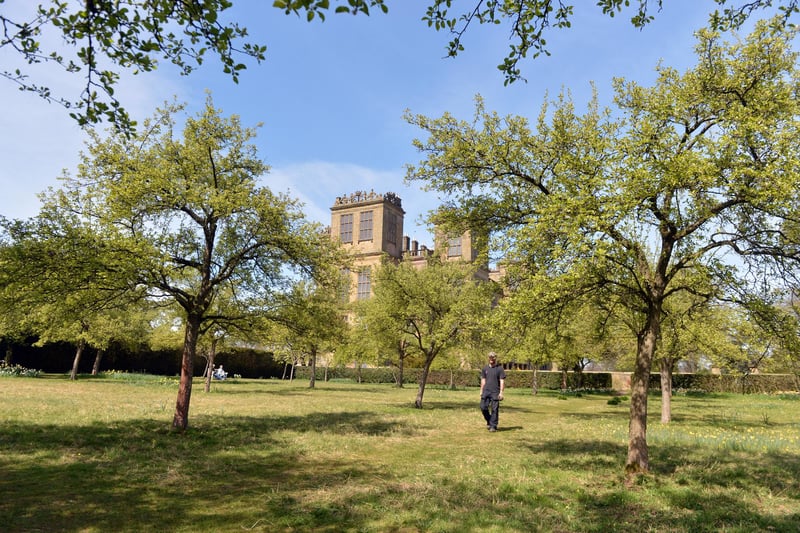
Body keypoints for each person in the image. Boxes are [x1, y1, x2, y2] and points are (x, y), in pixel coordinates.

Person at [480, 352, 506, 432]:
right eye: (490, 357)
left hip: (495, 392)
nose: (491, 359)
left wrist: (501, 392)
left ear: (495, 358)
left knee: (494, 409)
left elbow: (502, 381)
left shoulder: (500, 369)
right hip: (486, 391)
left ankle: (493, 426)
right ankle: (489, 420)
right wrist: (481, 390)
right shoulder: (485, 369)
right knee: (483, 407)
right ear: (488, 358)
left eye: (493, 357)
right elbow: (483, 380)